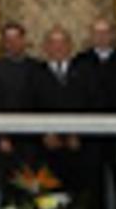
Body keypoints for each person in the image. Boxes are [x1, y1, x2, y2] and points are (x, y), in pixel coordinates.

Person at [73, 18, 116, 209]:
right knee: (93, 184)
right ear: (91, 36)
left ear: (113, 35)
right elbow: (75, 98)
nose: (101, 37)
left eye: (105, 32)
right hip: (91, 134)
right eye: (97, 32)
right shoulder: (80, 62)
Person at [30, 27, 87, 201]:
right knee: (50, 197)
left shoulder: (84, 72)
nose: (58, 47)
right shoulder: (35, 74)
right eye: (53, 42)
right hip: (47, 146)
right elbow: (30, 106)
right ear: (45, 47)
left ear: (70, 46)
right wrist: (44, 134)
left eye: (62, 42)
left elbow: (90, 103)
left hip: (78, 145)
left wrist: (78, 133)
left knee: (80, 196)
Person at [0, 23, 39, 202]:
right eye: (8, 39)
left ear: (24, 40)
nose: (13, 43)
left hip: (33, 139)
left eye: (16, 38)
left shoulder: (36, 67)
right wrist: (2, 136)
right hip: (7, 139)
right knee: (9, 189)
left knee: (32, 188)